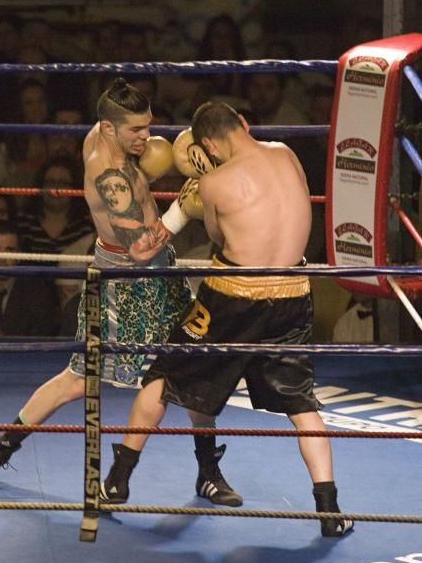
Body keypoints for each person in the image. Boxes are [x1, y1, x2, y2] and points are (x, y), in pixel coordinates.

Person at [0, 79, 241, 508]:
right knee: (78, 378)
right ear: (109, 128)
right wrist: (184, 207)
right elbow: (141, 249)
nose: (147, 138)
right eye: (136, 131)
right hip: (128, 279)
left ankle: (208, 472)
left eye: (149, 127)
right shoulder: (111, 178)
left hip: (161, 270)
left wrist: (149, 168)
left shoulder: (107, 140)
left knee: (192, 367)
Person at [100, 100, 354, 538]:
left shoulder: (214, 182)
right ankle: (330, 510)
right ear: (243, 124)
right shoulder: (286, 154)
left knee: (164, 374)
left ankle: (117, 482)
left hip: (234, 297)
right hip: (293, 292)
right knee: (300, 401)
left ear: (209, 146)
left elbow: (219, 237)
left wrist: (199, 187)